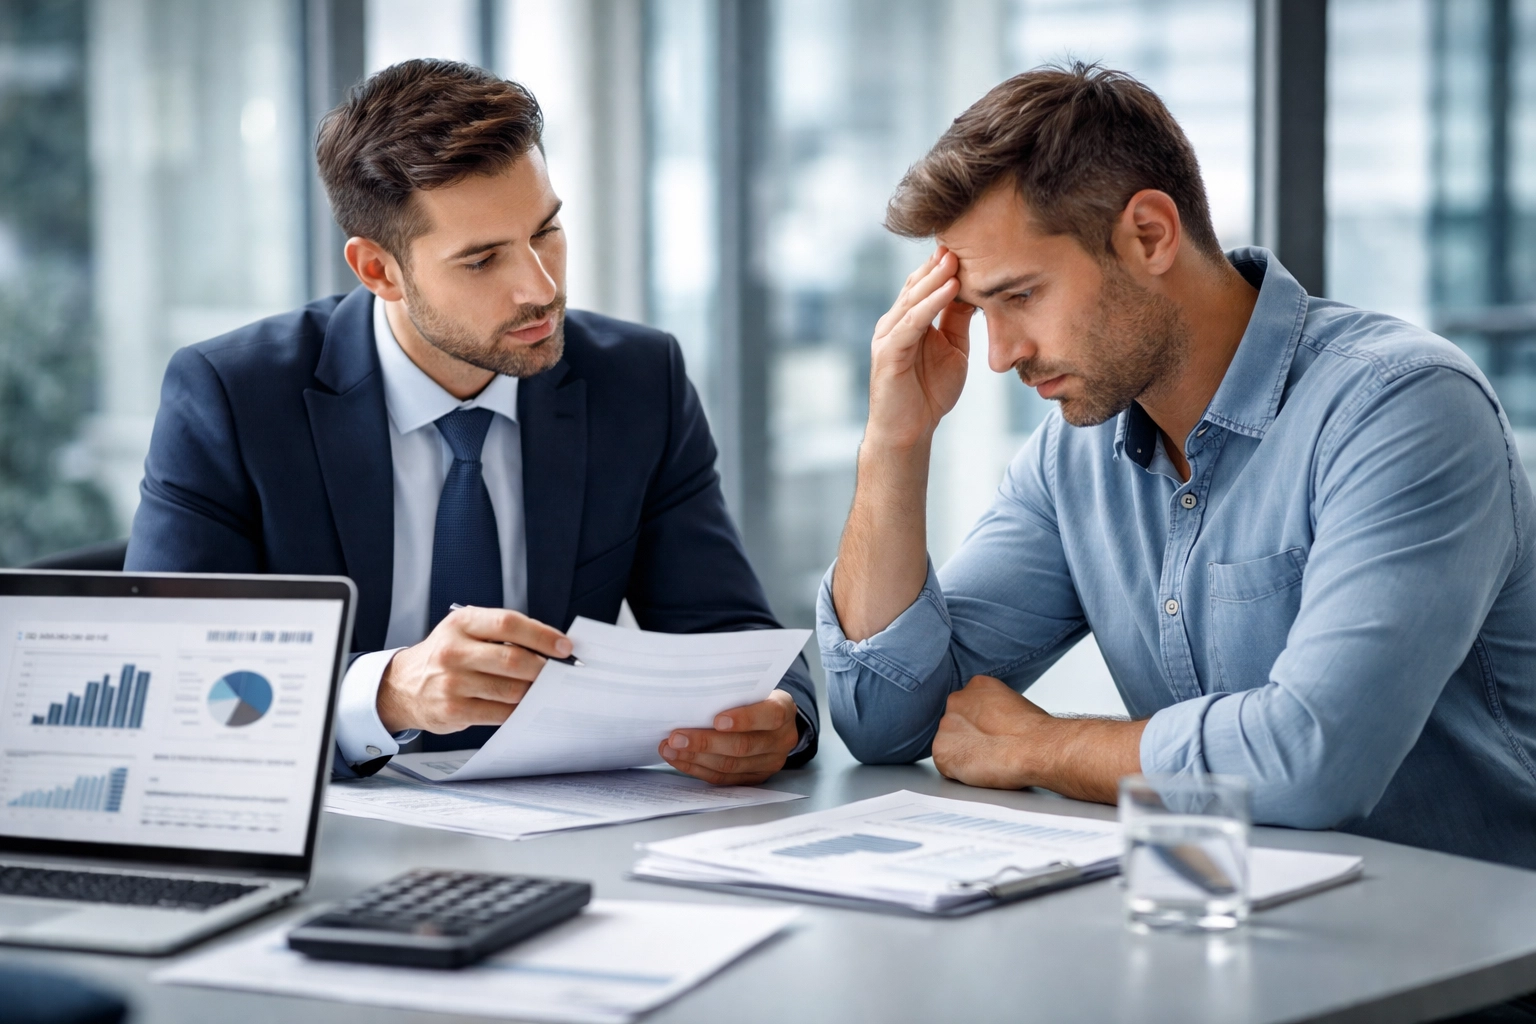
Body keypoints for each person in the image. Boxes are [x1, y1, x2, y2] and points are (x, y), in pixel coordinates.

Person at [818, 62, 1536, 869]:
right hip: (1223, 943)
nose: (1000, 355)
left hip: (1471, 963)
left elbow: (1313, 758)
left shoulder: (1401, 408)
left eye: (1020, 297)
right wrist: (894, 443)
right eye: (981, 310)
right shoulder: (1073, 456)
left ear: (1150, 235)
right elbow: (885, 717)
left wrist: (1049, 747)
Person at [126, 59, 817, 783]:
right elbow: (173, 683)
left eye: (545, 231)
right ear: (378, 271)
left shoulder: (637, 381)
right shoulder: (232, 399)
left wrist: (776, 718)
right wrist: (387, 694)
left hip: (568, 831)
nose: (541, 288)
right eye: (483, 260)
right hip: (330, 831)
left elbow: (730, 635)